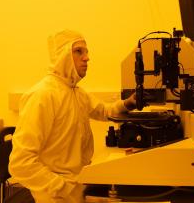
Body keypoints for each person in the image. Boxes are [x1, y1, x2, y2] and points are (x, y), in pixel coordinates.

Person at [8, 29, 136, 203]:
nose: (87, 57)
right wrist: (62, 188)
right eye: (78, 51)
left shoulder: (74, 91)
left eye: (86, 51)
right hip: (56, 195)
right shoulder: (43, 95)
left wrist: (130, 102)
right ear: (63, 56)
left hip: (77, 184)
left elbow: (104, 111)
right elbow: (21, 163)